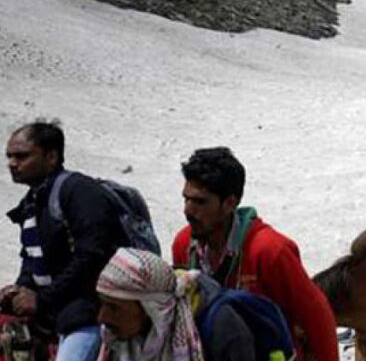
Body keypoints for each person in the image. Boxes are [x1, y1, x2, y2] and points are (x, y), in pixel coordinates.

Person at [170, 148, 338, 361]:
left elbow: (317, 316)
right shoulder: (183, 245)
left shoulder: (270, 251)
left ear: (230, 203)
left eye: (200, 202)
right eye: (186, 199)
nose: (188, 210)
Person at [3, 121, 127, 361]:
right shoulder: (34, 200)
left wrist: (42, 298)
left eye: (22, 156)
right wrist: (19, 290)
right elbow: (33, 258)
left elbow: (93, 256)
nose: (12, 164)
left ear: (51, 157)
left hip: (88, 315)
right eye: (9, 157)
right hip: (56, 313)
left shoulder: (79, 191)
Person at [96, 248, 255, 361]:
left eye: (114, 308)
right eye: (101, 304)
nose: (102, 317)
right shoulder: (116, 340)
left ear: (151, 307)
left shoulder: (222, 328)